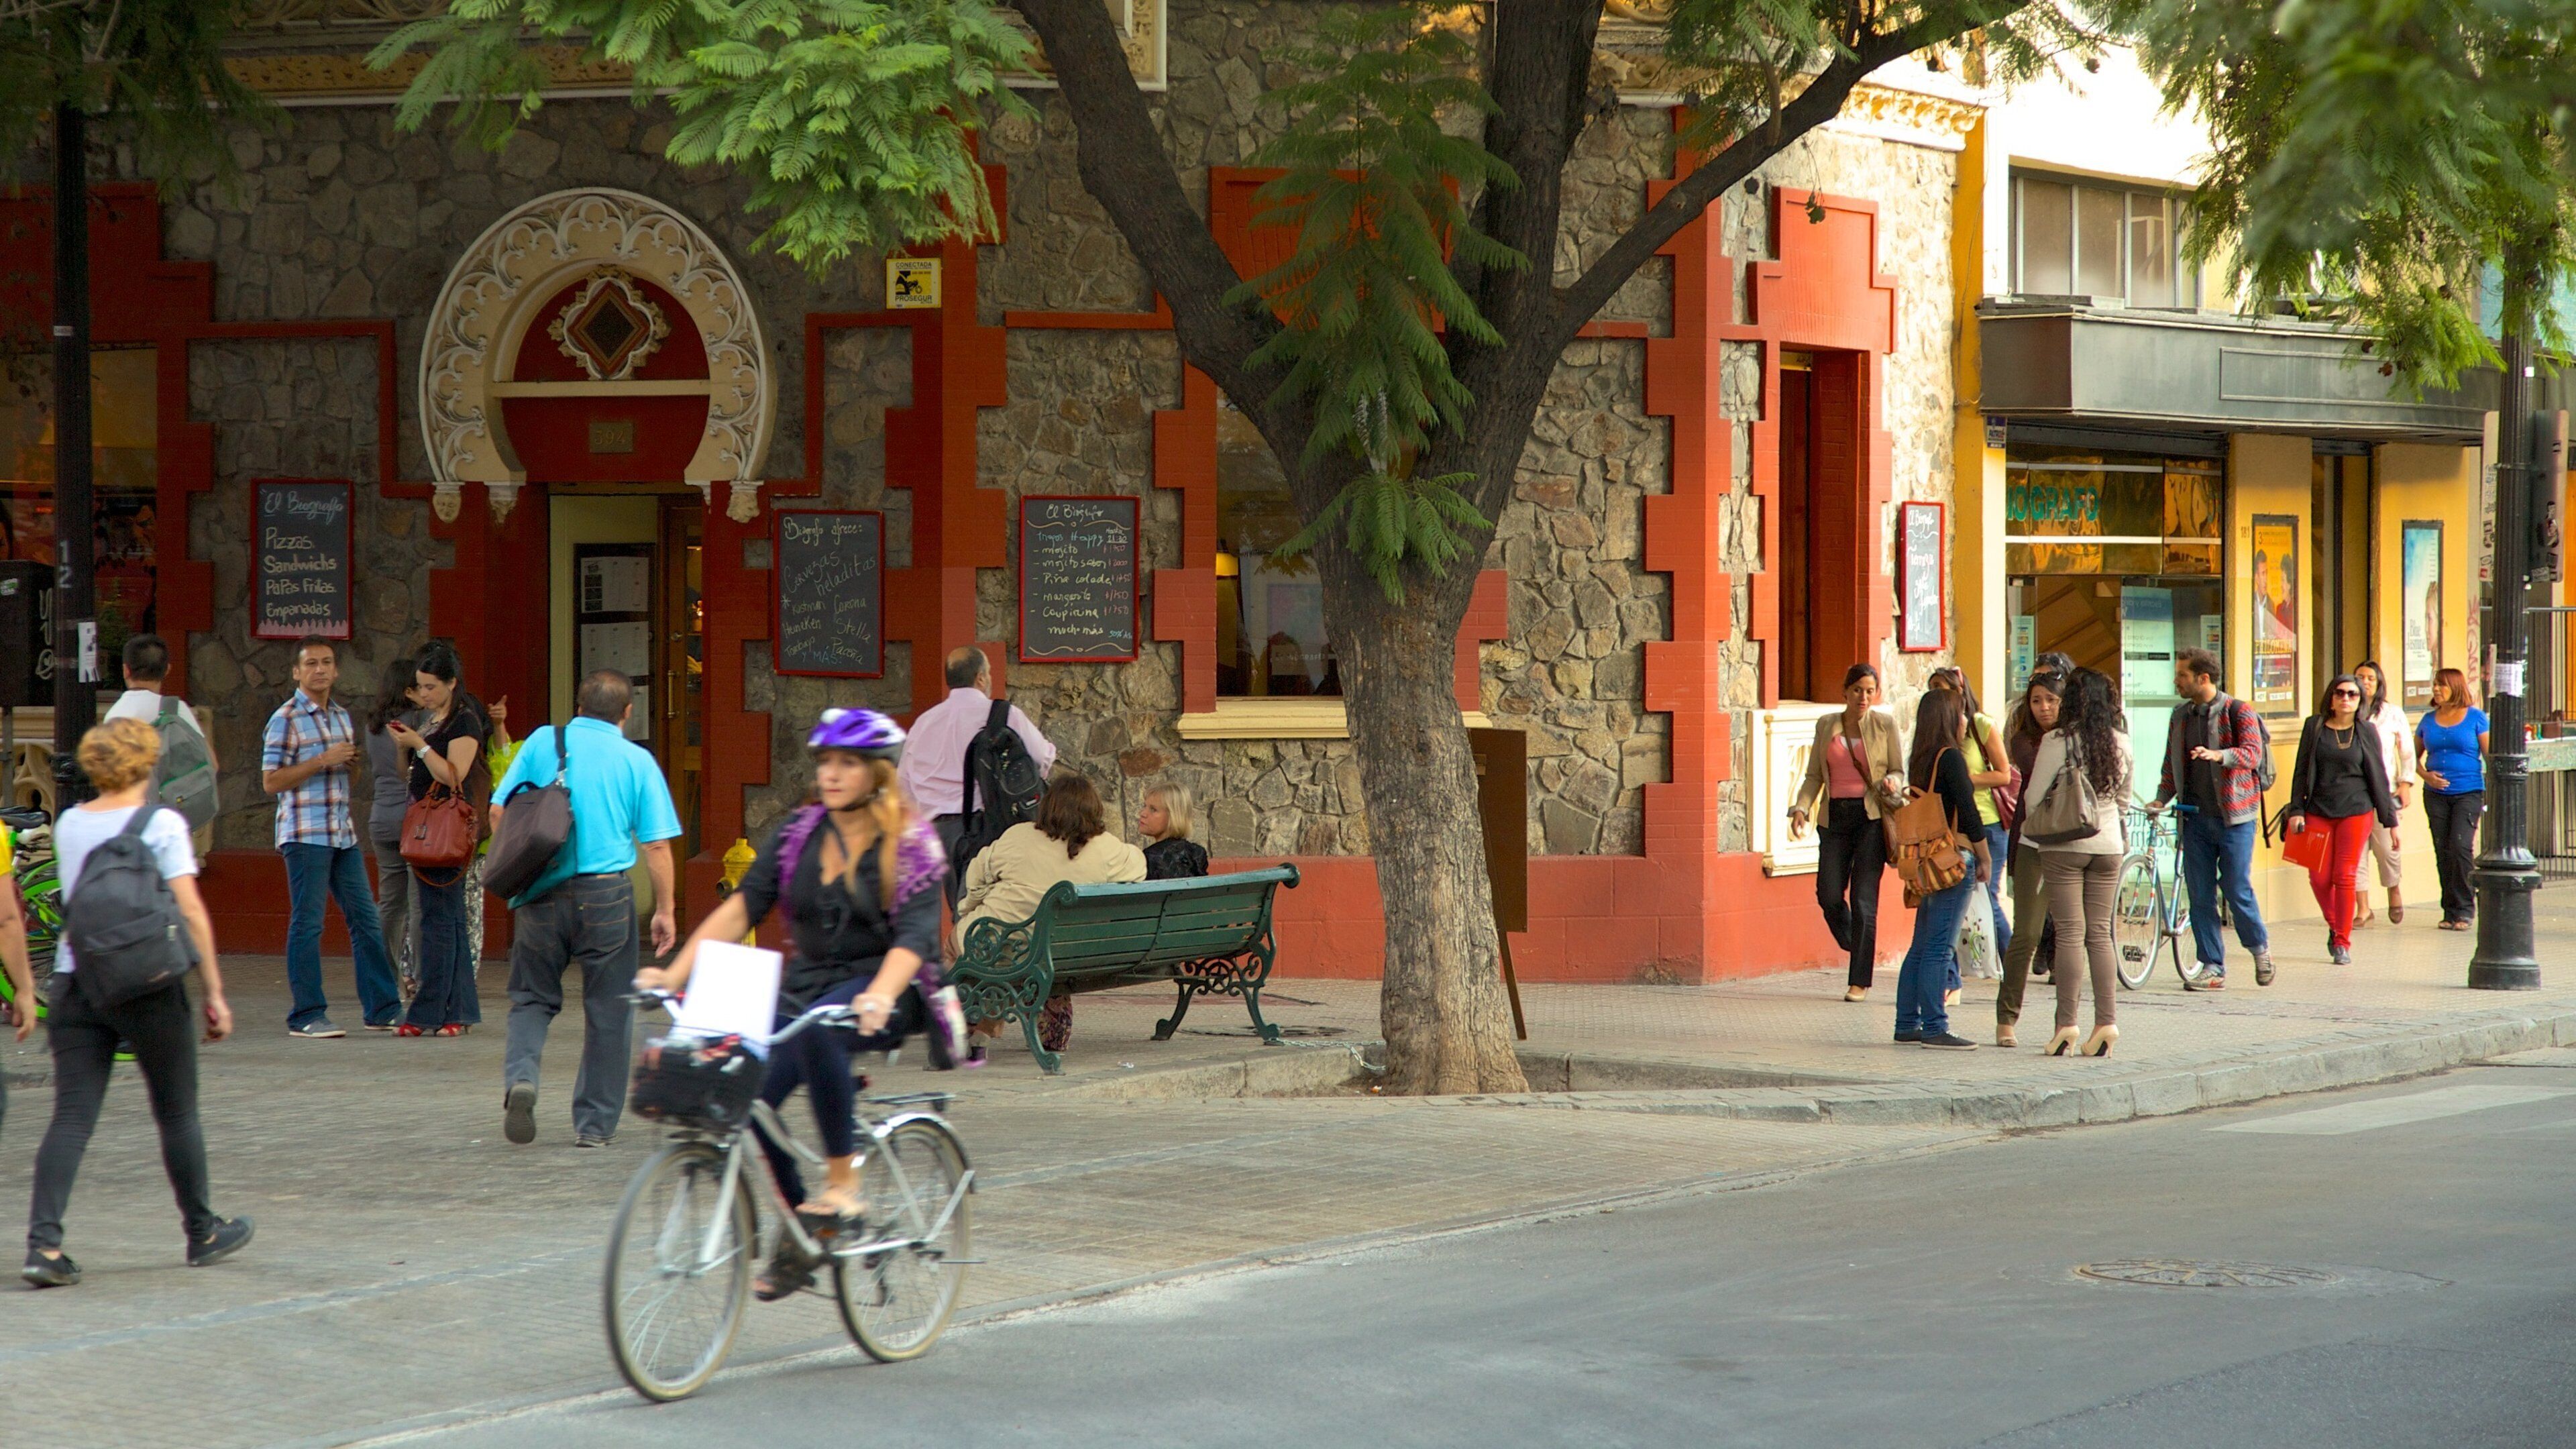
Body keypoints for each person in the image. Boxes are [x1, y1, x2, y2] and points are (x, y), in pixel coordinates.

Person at [639, 708, 945, 1300]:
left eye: (848, 763)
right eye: (825, 761)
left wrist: (881, 993)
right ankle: (805, 1230)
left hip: (886, 986)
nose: (831, 773)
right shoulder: (799, 833)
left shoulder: (911, 843)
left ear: (879, 773)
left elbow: (915, 938)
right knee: (746, 1096)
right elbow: (742, 908)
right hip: (809, 984)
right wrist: (672, 974)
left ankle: (843, 1186)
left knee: (818, 1034)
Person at [23, 718, 251, 1288]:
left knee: (71, 1117)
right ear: (147, 764)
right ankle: (201, 1231)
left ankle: (43, 1246)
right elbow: (190, 911)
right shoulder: (163, 824)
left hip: (78, 980)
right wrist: (214, 991)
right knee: (177, 1112)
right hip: (148, 983)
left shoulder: (70, 824)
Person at [492, 672, 682, 1148]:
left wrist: (519, 863)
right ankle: (594, 1127)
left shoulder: (543, 741)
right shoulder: (637, 760)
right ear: (627, 713)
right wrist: (665, 909)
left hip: (541, 894)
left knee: (531, 999)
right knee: (610, 1011)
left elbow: (499, 811)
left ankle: (522, 1079)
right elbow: (656, 846)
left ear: (578, 705)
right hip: (607, 898)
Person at [260, 637, 402, 1038]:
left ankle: (383, 1009)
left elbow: (348, 779)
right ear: (296, 672)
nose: (320, 670)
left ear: (337, 671)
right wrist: (322, 760)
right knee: (308, 924)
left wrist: (350, 765)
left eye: (326, 663)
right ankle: (306, 1015)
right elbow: (271, 781)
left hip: (342, 833)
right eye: (311, 664)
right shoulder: (285, 719)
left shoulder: (341, 716)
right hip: (305, 833)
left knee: (367, 919)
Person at [958, 773, 1147, 1053]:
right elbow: (1140, 867)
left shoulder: (1018, 836)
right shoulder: (1107, 849)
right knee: (1019, 954)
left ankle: (967, 1027)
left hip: (1002, 942)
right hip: (1064, 951)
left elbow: (977, 875)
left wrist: (968, 908)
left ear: (1047, 806)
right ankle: (988, 1028)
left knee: (959, 948)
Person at [2022, 667, 2133, 1057]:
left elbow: (2033, 797)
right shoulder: (2122, 741)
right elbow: (2124, 800)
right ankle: (2107, 1023)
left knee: (2070, 933)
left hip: (2065, 845)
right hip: (2109, 845)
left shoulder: (2058, 740)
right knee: (2100, 934)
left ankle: (2066, 1026)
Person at [2153, 647, 2275, 990]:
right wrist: (2161, 799)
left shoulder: (2239, 711)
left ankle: (2259, 949)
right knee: (2200, 895)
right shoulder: (2180, 716)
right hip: (2194, 820)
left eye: (2182, 675)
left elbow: (2252, 754)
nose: (2176, 681)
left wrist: (2220, 756)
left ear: (2203, 678)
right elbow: (2170, 765)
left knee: (2236, 887)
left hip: (2236, 818)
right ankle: (2212, 965)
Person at [896, 647, 1057, 903]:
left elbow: (903, 784)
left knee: (961, 909)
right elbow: (1041, 757)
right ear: (981, 678)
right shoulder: (1002, 715)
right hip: (986, 827)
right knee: (984, 910)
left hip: (938, 834)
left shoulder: (924, 723)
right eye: (989, 673)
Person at [384, 642, 488, 1036]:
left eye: (431, 687)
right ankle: (458, 1011)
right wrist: (405, 746)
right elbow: (409, 772)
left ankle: (428, 1011)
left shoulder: (464, 722)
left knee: (437, 922)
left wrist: (420, 745)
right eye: (420, 686)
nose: (424, 694)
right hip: (423, 826)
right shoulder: (432, 721)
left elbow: (453, 774)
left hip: (447, 829)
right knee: (449, 920)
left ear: (452, 683)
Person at [1785, 663, 1907, 1002]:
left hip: (1871, 819)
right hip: (1834, 819)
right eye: (1857, 691)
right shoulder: (1827, 725)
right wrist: (1801, 807)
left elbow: (1898, 769)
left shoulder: (1884, 725)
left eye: (1870, 691)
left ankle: (1859, 981)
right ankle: (1858, 946)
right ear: (1845, 692)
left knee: (1864, 900)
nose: (1863, 697)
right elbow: (1813, 775)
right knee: (1828, 894)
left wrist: (1892, 781)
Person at [1890, 687, 1989, 1051]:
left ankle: (1907, 1022)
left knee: (1920, 946)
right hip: (1951, 860)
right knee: (1939, 948)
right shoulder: (1951, 757)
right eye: (1961, 713)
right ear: (1949, 719)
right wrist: (1985, 856)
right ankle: (1935, 1026)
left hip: (1925, 862)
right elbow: (1969, 811)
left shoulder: (1922, 758)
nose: (1965, 721)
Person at [2287, 674, 2400, 965]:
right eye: (2340, 693)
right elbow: (2301, 770)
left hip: (2356, 811)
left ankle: (2342, 941)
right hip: (2317, 811)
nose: (2346, 699)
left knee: (2345, 875)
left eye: (2353, 694)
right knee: (2318, 877)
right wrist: (2296, 810)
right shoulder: (2314, 727)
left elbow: (2378, 776)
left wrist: (2390, 822)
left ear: (2360, 701)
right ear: (2331, 698)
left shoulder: (2366, 731)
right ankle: (2336, 923)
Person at [1932, 666, 2013, 991]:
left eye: (1944, 688)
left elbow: (2004, 774)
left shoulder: (1980, 725)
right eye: (1933, 688)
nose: (1938, 695)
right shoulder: (1936, 732)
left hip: (1986, 824)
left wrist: (1964, 782)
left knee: (1985, 899)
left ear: (1960, 691)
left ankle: (2013, 962)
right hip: (1950, 828)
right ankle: (1951, 981)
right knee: (1952, 903)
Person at [1993, 667, 2062, 1047]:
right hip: (2032, 839)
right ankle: (2006, 1017)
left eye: (2051, 700)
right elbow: (2037, 770)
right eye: (2037, 701)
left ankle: (2067, 1022)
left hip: (2073, 840)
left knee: (2074, 933)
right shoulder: (2024, 739)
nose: (2043, 707)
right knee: (2027, 933)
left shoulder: (2077, 737)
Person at [103, 633, 219, 856]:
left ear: (126, 670)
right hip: (170, 828)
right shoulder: (177, 710)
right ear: (167, 670)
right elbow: (212, 764)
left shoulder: (115, 716)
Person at [362, 655, 421, 1000]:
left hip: (381, 818)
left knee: (390, 905)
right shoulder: (417, 722)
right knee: (419, 905)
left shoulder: (373, 726)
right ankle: (421, 980)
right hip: (413, 820)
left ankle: (384, 983)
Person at [2416, 667, 2489, 931]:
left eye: (2442, 685)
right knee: (2443, 850)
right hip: (2435, 795)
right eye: (2435, 684)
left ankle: (2465, 908)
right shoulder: (2428, 720)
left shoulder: (2476, 718)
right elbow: (2411, 758)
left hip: (2468, 791)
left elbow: (2490, 755)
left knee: (2460, 847)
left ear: (2456, 687)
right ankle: (2450, 911)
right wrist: (2426, 776)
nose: (2436, 689)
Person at [2347, 661, 2417, 927]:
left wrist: (2405, 783)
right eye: (2360, 677)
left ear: (2379, 684)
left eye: (2370, 678)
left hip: (2385, 792)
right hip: (2355, 793)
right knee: (2356, 853)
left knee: (2387, 849)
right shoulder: (2348, 711)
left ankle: (2393, 888)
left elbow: (2407, 751)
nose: (2364, 682)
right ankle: (2363, 908)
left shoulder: (2392, 713)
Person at [1138, 783, 1210, 880]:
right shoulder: (1197, 853)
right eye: (1144, 806)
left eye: (1153, 810)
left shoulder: (1151, 858)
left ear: (1173, 816)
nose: (1143, 813)